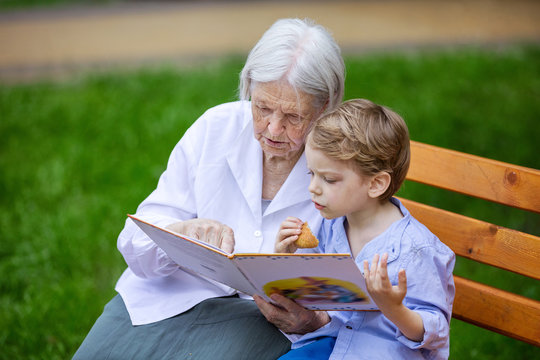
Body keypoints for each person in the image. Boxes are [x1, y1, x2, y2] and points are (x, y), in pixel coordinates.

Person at [73, 18, 345, 360]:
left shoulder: (343, 166)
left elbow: (358, 300)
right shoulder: (215, 128)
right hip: (166, 298)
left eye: (293, 116)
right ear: (248, 87)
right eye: (262, 108)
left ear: (325, 107)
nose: (274, 128)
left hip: (261, 324)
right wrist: (178, 232)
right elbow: (136, 242)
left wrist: (313, 321)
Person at [265, 99, 456, 359]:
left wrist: (394, 308)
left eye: (329, 179)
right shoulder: (331, 225)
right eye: (312, 174)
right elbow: (316, 290)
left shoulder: (416, 249)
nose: (313, 187)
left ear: (376, 184)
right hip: (332, 345)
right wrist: (287, 257)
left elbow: (435, 332)